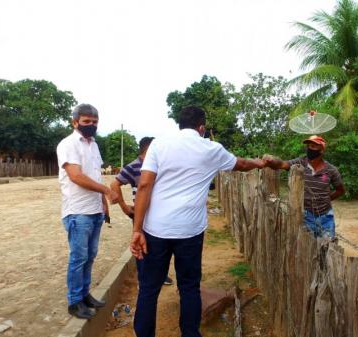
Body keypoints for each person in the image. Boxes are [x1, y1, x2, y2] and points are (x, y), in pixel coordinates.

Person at [130, 106, 266, 337]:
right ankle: (190, 333)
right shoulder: (211, 149)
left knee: (149, 289)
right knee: (189, 287)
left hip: (155, 230)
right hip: (190, 231)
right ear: (201, 128)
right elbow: (241, 164)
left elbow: (144, 185)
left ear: (180, 125)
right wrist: (260, 163)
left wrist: (137, 230)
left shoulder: (159, 145)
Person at [56, 103, 119, 319]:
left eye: (94, 122)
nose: (91, 125)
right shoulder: (68, 144)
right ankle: (74, 302)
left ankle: (85, 295)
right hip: (78, 211)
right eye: (86, 122)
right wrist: (106, 191)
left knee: (90, 256)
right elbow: (76, 176)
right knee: (79, 257)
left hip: (94, 210)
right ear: (75, 122)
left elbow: (95, 175)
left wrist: (103, 202)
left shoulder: (94, 145)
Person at [110, 136, 173, 285]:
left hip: (160, 215)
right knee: (142, 247)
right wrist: (125, 208)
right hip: (141, 215)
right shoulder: (134, 166)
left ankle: (160, 276)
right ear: (149, 150)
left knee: (160, 247)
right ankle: (143, 280)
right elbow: (114, 184)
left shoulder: (160, 165)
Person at [264, 135, 345, 238]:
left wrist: (326, 200)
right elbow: (282, 164)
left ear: (322, 150)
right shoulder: (300, 162)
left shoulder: (331, 170)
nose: (309, 149)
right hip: (306, 216)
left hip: (325, 217)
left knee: (327, 248)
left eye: (313, 146)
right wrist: (271, 160)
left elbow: (340, 190)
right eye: (308, 146)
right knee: (307, 249)